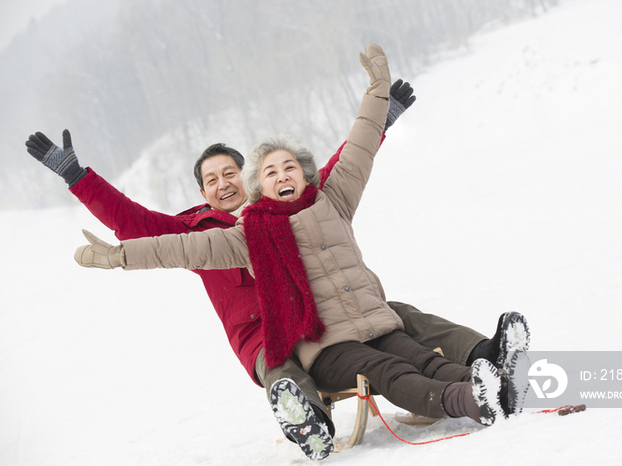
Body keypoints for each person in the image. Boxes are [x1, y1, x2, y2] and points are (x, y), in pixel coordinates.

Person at [73, 45, 532, 460]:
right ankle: (311, 420)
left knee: (402, 320)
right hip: (278, 334)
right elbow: (164, 244)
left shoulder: (314, 201)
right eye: (211, 180)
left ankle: (484, 361)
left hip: (343, 313)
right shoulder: (222, 232)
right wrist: (110, 241)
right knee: (289, 365)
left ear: (246, 178)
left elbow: (351, 159)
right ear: (204, 192)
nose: (223, 183)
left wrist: (381, 107)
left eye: (230, 173)